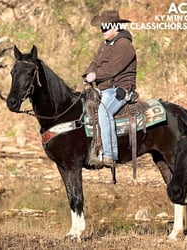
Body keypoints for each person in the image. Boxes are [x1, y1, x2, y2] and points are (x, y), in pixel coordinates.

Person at [83, 10, 137, 167]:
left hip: (120, 89)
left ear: (116, 27)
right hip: (104, 89)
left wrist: (95, 76)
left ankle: (110, 154)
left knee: (104, 112)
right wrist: (87, 73)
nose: (102, 30)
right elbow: (95, 63)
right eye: (102, 27)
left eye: (105, 27)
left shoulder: (124, 46)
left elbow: (112, 69)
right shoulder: (105, 45)